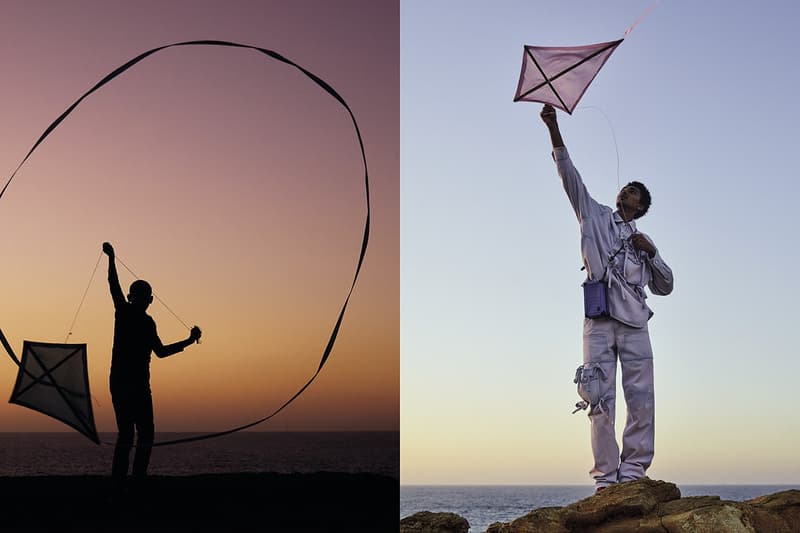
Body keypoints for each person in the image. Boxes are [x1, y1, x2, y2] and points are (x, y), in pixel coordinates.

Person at [539, 104, 674, 492]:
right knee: (598, 399)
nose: (624, 192)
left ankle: (633, 472)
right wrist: (553, 129)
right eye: (625, 187)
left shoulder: (643, 242)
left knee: (641, 398)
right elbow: (570, 176)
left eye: (632, 192)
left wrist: (650, 252)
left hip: (634, 324)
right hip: (597, 321)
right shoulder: (594, 216)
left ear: (640, 207)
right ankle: (605, 479)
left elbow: (665, 286)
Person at [103, 242, 202, 489]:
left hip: (131, 384)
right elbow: (112, 285)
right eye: (140, 297)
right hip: (127, 385)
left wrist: (188, 341)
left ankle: (129, 481)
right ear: (147, 299)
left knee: (137, 435)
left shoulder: (145, 322)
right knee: (135, 434)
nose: (141, 301)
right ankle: (130, 481)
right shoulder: (124, 313)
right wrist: (112, 259)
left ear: (147, 300)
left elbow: (159, 352)